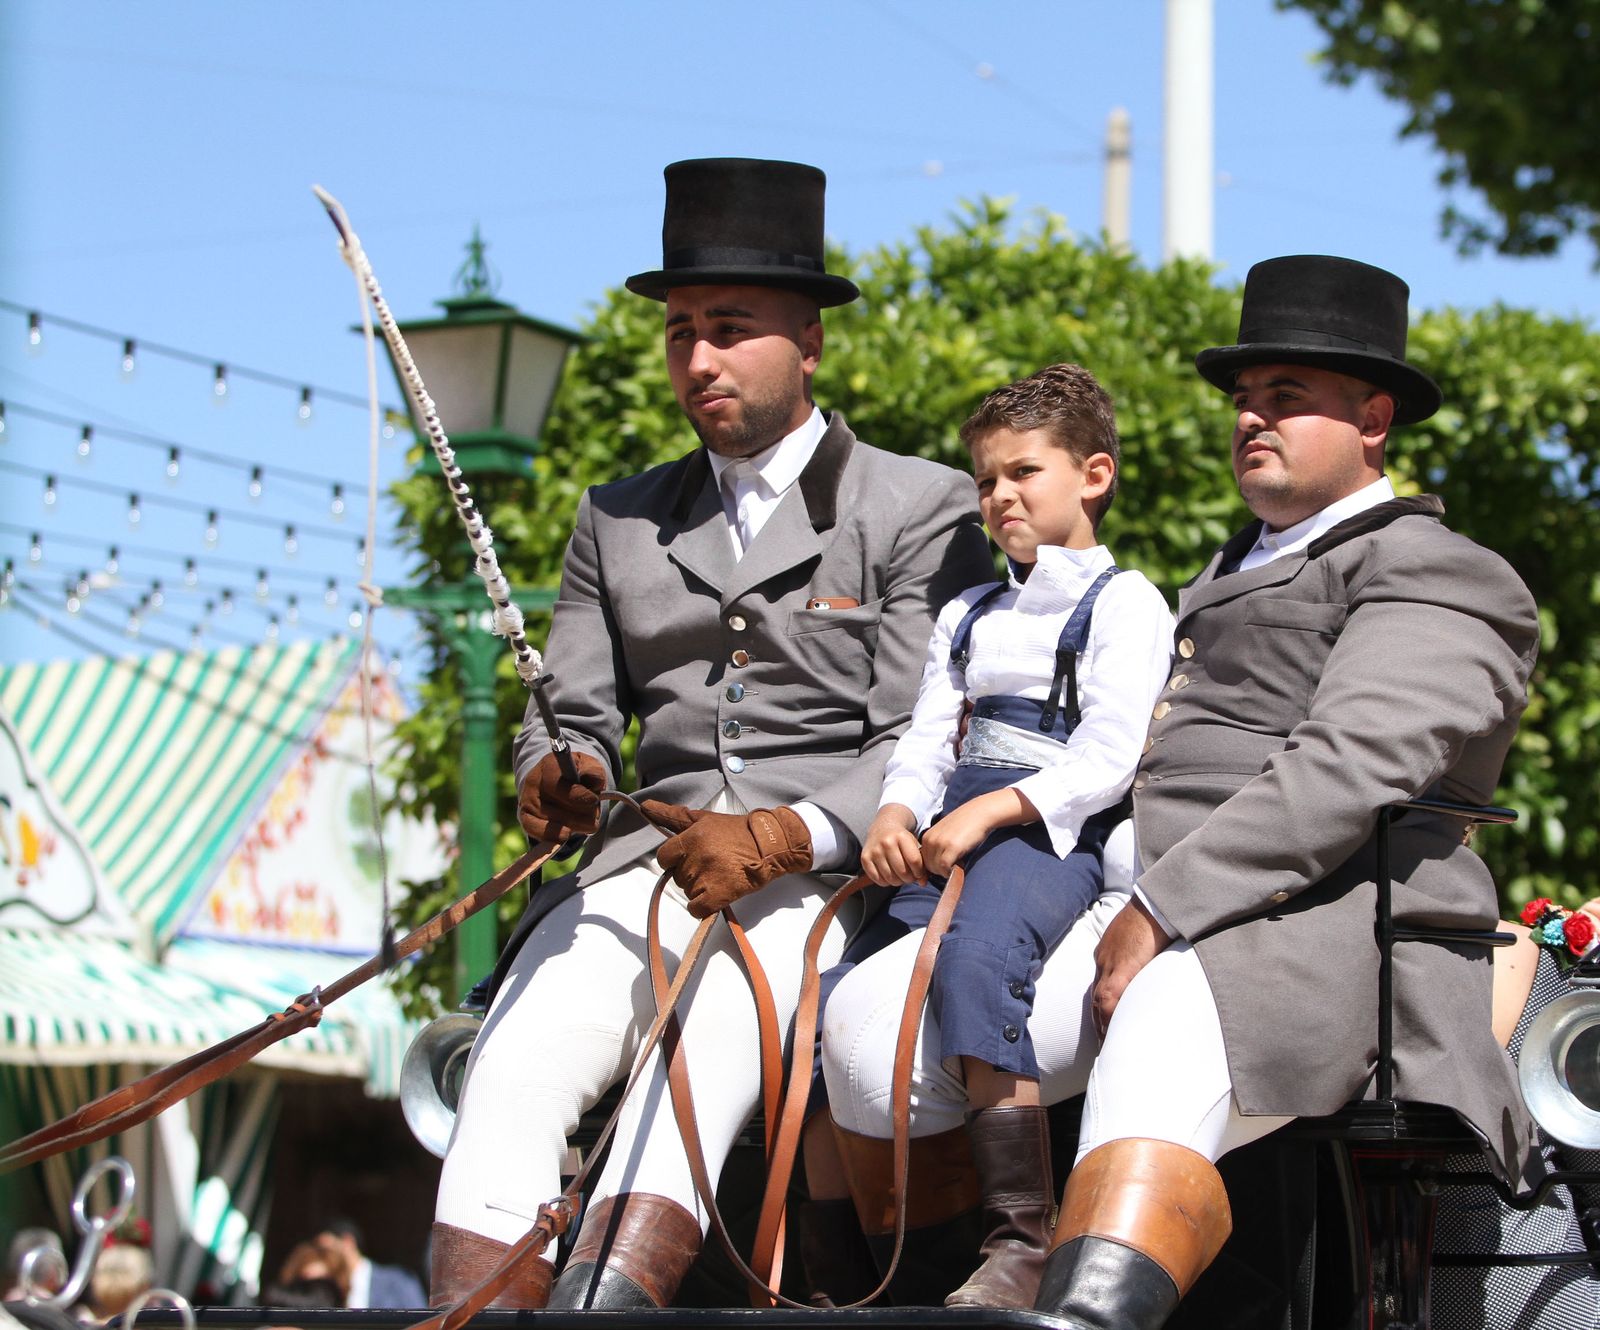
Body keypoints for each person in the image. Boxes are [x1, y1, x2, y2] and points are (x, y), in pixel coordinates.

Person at [823, 254, 1542, 1329]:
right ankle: (969, 1275)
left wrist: (1161, 910)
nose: (1253, 418)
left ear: (1374, 416)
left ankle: (1081, 1316)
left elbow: (1349, 766)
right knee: (869, 1034)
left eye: (1287, 397)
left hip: (1327, 922)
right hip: (1136, 895)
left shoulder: (1440, 568)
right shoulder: (1222, 569)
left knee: (1156, 1012)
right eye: (1244, 400)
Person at [429, 157, 993, 1311]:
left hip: (820, 884)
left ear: (810, 342)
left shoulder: (920, 506)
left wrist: (788, 834)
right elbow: (569, 711)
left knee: (708, 1048)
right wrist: (562, 774)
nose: (697, 360)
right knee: (512, 1066)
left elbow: (920, 734)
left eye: (728, 330)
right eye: (681, 331)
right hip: (645, 867)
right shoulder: (616, 517)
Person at [831, 363, 1173, 1308]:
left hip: (1047, 831)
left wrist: (991, 812)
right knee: (825, 990)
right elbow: (926, 740)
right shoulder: (966, 612)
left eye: (1024, 473)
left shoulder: (1126, 602)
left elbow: (1108, 756)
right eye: (986, 480)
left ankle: (1022, 1239)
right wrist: (898, 814)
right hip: (951, 820)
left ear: (1094, 475)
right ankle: (842, 1270)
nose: (1000, 497)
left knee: (979, 959)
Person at [1431, 900, 1600, 1328]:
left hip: (1340, 1288)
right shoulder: (1531, 955)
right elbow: (1591, 1165)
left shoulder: (1295, 949)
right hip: (1535, 1293)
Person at [314, 1219, 425, 1310]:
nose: (322, 1259)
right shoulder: (325, 1291)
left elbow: (423, 1325)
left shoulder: (397, 1281)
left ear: (348, 1242)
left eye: (326, 1251)